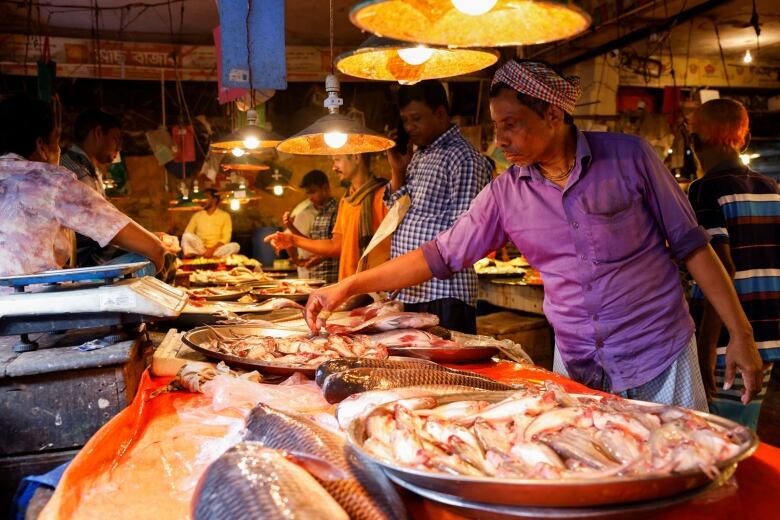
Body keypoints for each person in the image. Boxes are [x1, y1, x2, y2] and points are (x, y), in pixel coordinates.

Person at [304, 60, 763, 410]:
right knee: (593, 477)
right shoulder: (505, 193)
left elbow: (694, 247)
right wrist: (350, 285)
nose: (500, 139)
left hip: (660, 353)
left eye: (512, 124)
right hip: (578, 360)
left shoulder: (631, 158)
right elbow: (439, 255)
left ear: (552, 114)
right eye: (497, 125)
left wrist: (740, 333)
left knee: (682, 477)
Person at [688, 98, 780, 429]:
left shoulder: (704, 190)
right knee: (743, 427)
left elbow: (720, 267)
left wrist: (706, 345)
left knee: (717, 434)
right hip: (766, 338)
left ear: (693, 143)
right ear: (747, 140)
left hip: (725, 341)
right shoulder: (771, 189)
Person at [0, 95, 165, 277]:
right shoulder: (54, 182)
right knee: (145, 258)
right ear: (41, 146)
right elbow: (153, 248)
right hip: (35, 301)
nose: (60, 150)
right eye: (56, 141)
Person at [385, 80, 492, 333]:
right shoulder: (420, 154)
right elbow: (396, 215)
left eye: (416, 118)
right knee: (413, 371)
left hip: (444, 293)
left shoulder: (464, 157)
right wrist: (398, 171)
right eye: (405, 120)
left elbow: (464, 234)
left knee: (447, 371)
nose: (409, 127)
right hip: (412, 289)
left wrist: (411, 270)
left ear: (440, 113)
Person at [265, 154, 388, 281]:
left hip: (376, 287)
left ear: (356, 157)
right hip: (348, 284)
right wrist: (293, 239)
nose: (334, 167)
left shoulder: (384, 196)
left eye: (337, 160)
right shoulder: (346, 201)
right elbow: (336, 245)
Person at [282, 169, 339, 284]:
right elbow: (313, 244)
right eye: (308, 193)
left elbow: (341, 245)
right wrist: (297, 261)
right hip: (315, 277)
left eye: (313, 192)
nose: (310, 197)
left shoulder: (339, 210)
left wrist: (322, 257)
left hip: (333, 278)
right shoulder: (313, 212)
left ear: (325, 188)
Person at [60, 108, 121, 198]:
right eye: (115, 138)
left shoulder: (77, 165)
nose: (119, 147)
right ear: (98, 133)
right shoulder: (79, 175)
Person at [181, 189, 240, 258]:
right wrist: (205, 250)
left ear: (214, 200)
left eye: (205, 198)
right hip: (200, 249)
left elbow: (226, 238)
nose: (202, 201)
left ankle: (210, 256)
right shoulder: (197, 215)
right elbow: (188, 232)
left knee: (236, 246)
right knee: (186, 236)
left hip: (217, 250)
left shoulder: (225, 216)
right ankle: (205, 254)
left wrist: (211, 250)